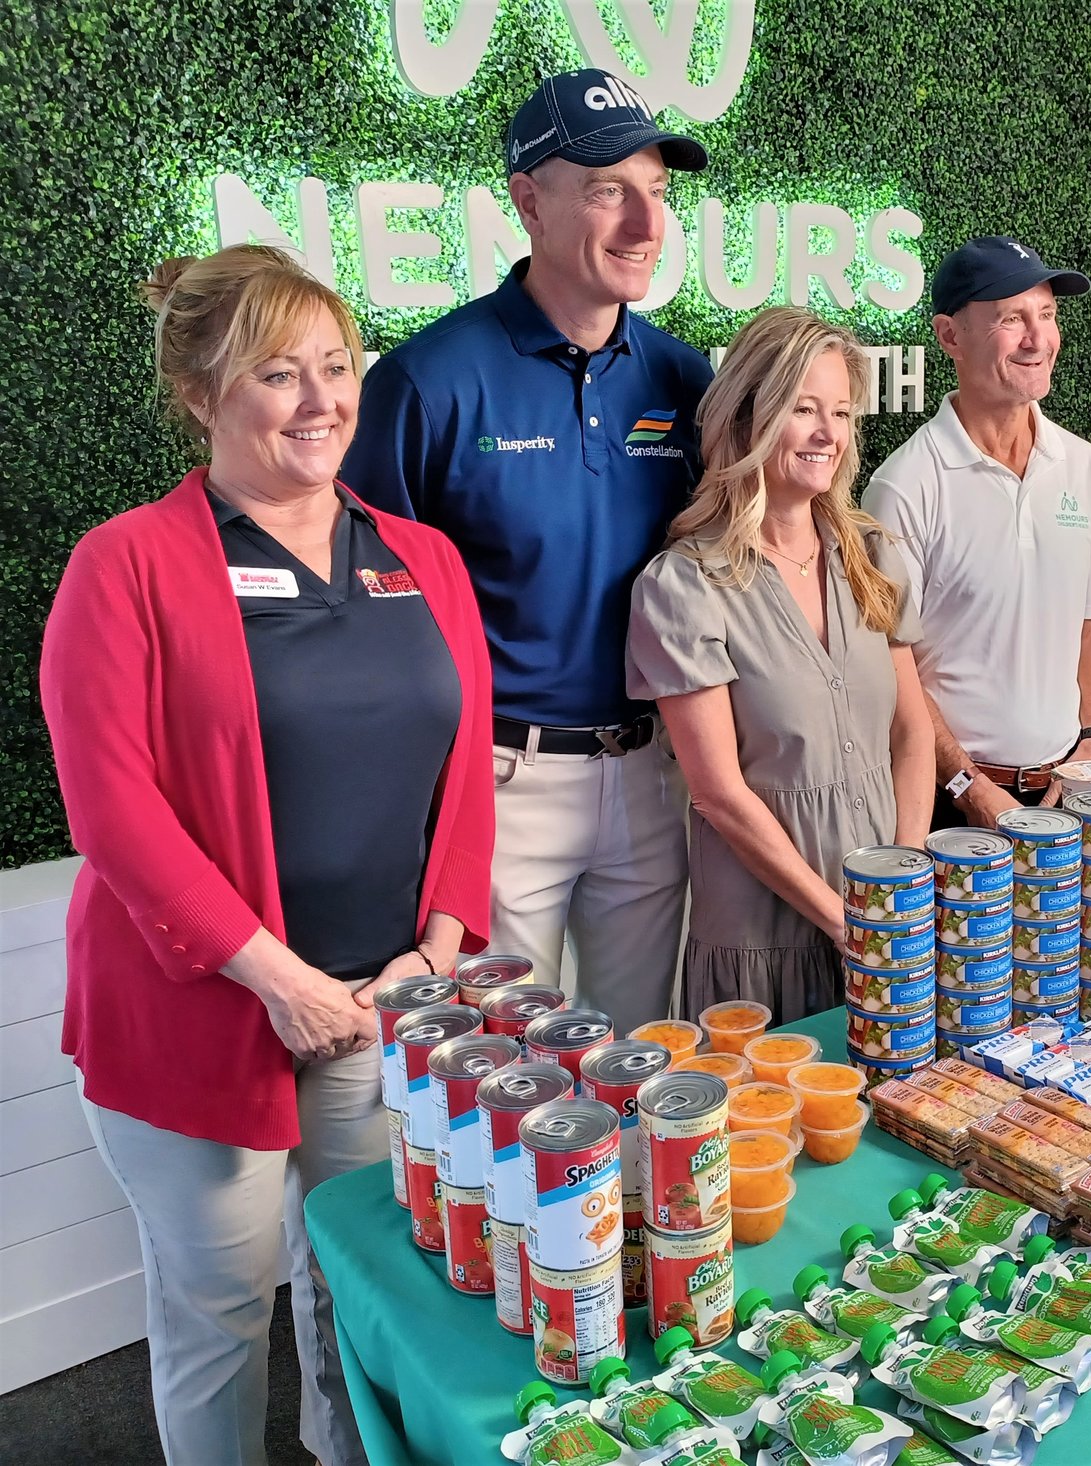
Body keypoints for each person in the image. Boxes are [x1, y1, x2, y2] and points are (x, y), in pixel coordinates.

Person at [40, 245, 493, 1466]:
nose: (319, 400)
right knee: (220, 1315)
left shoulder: (425, 558)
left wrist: (436, 948)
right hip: (206, 1017)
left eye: (337, 368)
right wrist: (277, 981)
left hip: (379, 1006)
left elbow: (464, 772)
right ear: (200, 393)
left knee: (357, 1299)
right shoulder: (124, 565)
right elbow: (112, 809)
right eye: (277, 374)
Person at [340, 69, 712, 1032]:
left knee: (642, 1055)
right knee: (504, 1061)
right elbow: (372, 616)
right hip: (504, 782)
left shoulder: (686, 379)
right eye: (606, 191)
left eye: (657, 193)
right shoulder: (429, 382)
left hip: (652, 768)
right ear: (526, 200)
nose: (643, 224)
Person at [626, 308, 934, 1023]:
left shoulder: (872, 556)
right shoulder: (685, 586)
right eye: (803, 409)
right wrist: (843, 918)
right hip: (764, 946)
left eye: (841, 412)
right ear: (746, 418)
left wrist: (903, 883)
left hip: (886, 926)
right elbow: (718, 794)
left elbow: (912, 734)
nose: (828, 433)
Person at [864, 236, 1091, 828]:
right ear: (949, 336)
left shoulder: (1086, 468)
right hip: (943, 799)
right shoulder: (904, 486)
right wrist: (968, 787)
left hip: (1066, 789)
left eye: (1047, 315)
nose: (1039, 339)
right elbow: (887, 662)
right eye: (1012, 319)